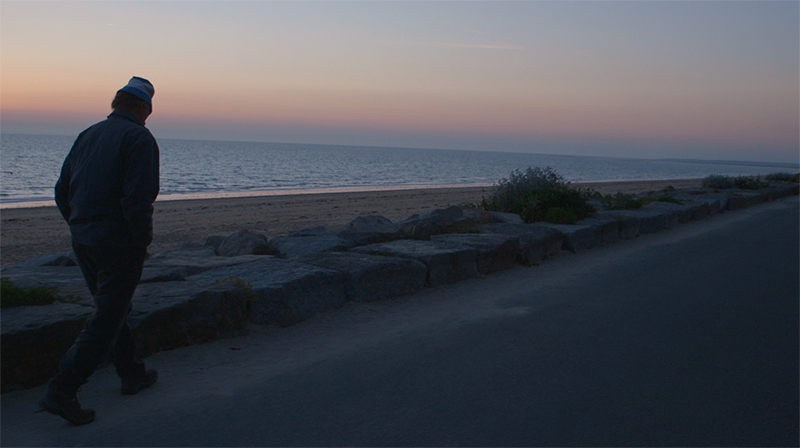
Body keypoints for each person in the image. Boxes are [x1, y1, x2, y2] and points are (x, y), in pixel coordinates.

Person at [40, 77, 160, 425]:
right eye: (149, 110)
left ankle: (132, 373)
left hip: (85, 239)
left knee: (112, 307)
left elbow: (62, 190)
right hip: (117, 242)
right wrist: (141, 241)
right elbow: (138, 199)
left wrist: (77, 225)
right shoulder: (138, 138)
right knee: (107, 318)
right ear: (141, 107)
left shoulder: (88, 135)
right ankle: (62, 390)